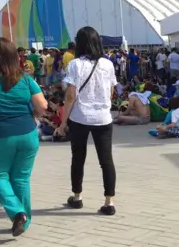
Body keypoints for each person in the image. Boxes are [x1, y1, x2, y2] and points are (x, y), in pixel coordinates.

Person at [0, 37, 47, 236]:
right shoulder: (24, 77)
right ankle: (24, 221)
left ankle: (17, 213)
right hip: (27, 134)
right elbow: (43, 105)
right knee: (21, 178)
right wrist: (34, 116)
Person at [54, 26, 118, 216]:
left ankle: (77, 197)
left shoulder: (75, 64)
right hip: (103, 118)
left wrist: (63, 122)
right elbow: (111, 92)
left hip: (80, 117)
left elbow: (71, 96)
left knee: (78, 158)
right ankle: (109, 201)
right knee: (106, 160)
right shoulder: (108, 64)